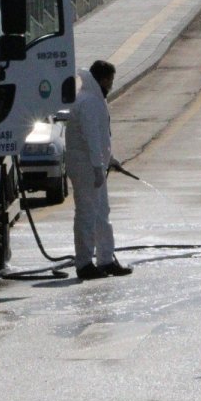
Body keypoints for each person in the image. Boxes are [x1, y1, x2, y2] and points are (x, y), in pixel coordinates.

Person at [64, 60, 132, 280]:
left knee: (102, 214)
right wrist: (96, 166)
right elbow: (92, 138)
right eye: (110, 80)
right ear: (102, 79)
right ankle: (84, 263)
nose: (111, 85)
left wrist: (109, 159)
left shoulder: (92, 99)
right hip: (86, 167)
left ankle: (106, 259)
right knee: (86, 213)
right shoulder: (89, 102)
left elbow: (102, 137)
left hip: (94, 165)